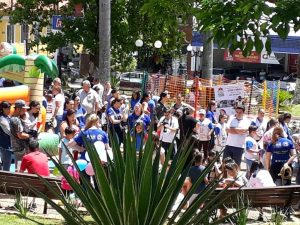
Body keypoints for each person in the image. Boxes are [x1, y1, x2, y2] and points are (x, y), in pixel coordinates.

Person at [10, 100, 32, 170]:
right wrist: (30, 136)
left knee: (20, 167)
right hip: (20, 147)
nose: (25, 110)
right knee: (19, 168)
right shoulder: (16, 120)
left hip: (18, 147)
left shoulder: (15, 118)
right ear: (18, 109)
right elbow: (20, 135)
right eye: (24, 109)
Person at [0, 101, 12, 171]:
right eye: (8, 108)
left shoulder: (7, 117)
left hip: (7, 145)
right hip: (4, 146)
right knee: (6, 168)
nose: (9, 110)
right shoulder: (1, 118)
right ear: (3, 109)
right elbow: (9, 131)